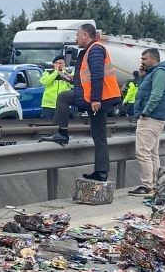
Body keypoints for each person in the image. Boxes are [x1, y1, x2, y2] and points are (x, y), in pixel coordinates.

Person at [38, 23, 122, 181]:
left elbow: (97, 76)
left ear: (85, 35)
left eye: (77, 35)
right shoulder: (93, 49)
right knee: (99, 136)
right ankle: (101, 172)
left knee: (63, 97)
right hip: (99, 97)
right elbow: (87, 78)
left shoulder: (95, 49)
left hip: (95, 98)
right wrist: (71, 79)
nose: (76, 39)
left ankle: (62, 133)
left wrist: (96, 99)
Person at [128, 48, 165, 196]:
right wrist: (142, 77)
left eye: (144, 59)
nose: (142, 62)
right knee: (152, 152)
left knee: (143, 152)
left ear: (153, 59)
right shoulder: (154, 73)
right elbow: (146, 90)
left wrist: (146, 112)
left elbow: (156, 94)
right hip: (155, 117)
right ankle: (156, 184)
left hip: (151, 117)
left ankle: (147, 185)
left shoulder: (160, 72)